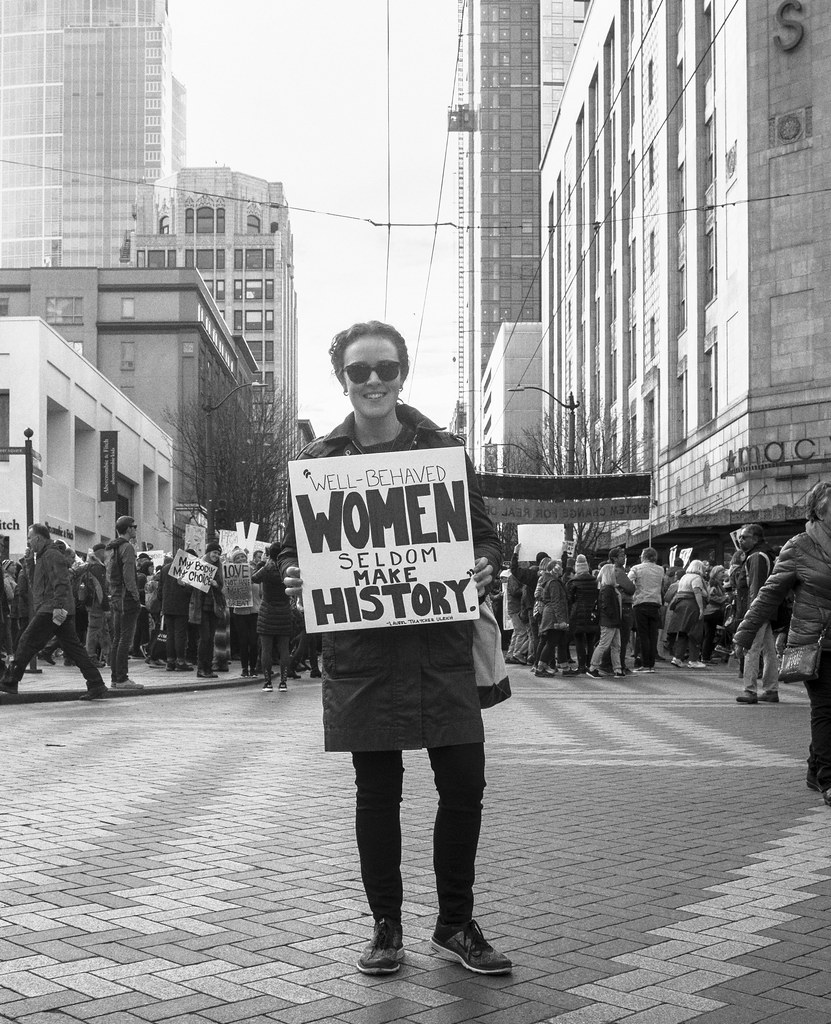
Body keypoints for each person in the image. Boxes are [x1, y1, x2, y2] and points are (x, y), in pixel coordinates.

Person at [278, 320, 511, 977]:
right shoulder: (320, 465)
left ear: (401, 374)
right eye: (359, 371)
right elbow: (290, 551)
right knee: (376, 792)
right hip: (363, 654)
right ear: (343, 380)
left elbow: (487, 537)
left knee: (464, 785)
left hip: (440, 648)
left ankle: (454, 924)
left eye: (385, 368)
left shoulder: (444, 451)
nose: (373, 380)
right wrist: (294, 571)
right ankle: (385, 927)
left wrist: (487, 562)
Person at [733, 482, 831, 800]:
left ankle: (816, 767)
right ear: (818, 509)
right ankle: (828, 778)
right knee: (826, 708)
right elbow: (769, 594)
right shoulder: (799, 546)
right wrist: (745, 634)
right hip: (815, 643)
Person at [0, 525, 108, 699]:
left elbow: (62, 581)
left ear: (38, 538)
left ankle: (10, 680)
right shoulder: (43, 556)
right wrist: (29, 562)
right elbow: (36, 582)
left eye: (29, 538)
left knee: (26, 640)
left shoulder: (51, 555)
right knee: (74, 648)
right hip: (54, 608)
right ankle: (96, 683)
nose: (28, 541)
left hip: (52, 608)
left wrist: (58, 606)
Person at [734, 523, 779, 704]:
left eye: (744, 537)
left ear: (755, 538)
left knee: (751, 648)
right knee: (769, 650)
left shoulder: (757, 556)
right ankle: (771, 689)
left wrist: (752, 613)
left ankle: (750, 690)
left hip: (759, 609)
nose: (741, 540)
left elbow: (756, 587)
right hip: (767, 608)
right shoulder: (763, 554)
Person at [107, 515, 144, 690]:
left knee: (117, 639)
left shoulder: (112, 548)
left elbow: (110, 576)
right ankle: (122, 678)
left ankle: (115, 677)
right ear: (128, 529)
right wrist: (136, 597)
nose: (135, 529)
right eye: (134, 526)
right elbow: (129, 576)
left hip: (116, 598)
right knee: (125, 639)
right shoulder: (127, 548)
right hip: (126, 598)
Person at [252, 542, 292, 691]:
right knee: (284, 650)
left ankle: (268, 682)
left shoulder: (267, 569)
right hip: (284, 611)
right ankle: (283, 682)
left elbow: (254, 578)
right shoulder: (286, 570)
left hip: (267, 611)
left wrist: (263, 563)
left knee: (266, 650)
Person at [510, 545, 549, 670]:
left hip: (532, 608)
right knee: (545, 637)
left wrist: (515, 554)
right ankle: (544, 661)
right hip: (547, 609)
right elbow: (562, 569)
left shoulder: (531, 575)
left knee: (535, 636)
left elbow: (514, 570)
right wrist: (564, 552)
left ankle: (536, 662)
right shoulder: (550, 575)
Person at [191, 541, 225, 679]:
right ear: (208, 552)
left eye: (218, 553)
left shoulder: (219, 567)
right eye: (214, 552)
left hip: (214, 608)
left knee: (210, 639)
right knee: (204, 638)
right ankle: (201, 668)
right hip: (202, 607)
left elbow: (221, 586)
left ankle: (208, 668)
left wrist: (216, 584)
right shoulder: (199, 565)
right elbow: (191, 587)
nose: (216, 556)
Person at [628, 548, 666, 673]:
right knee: (653, 634)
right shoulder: (660, 569)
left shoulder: (636, 568)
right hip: (655, 603)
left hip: (641, 602)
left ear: (643, 556)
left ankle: (644, 663)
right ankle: (651, 663)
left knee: (642, 634)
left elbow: (628, 581)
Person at [534, 560, 572, 677]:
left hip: (550, 615)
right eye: (560, 567)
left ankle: (565, 667)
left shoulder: (550, 581)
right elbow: (556, 602)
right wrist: (561, 620)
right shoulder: (554, 583)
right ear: (555, 569)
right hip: (554, 617)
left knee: (559, 641)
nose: (562, 569)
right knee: (551, 642)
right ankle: (540, 669)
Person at [587, 563, 624, 677]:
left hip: (610, 621)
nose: (617, 573)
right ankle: (593, 667)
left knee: (613, 645)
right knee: (607, 645)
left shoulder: (606, 588)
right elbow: (607, 606)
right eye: (615, 572)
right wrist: (614, 618)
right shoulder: (609, 589)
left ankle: (617, 669)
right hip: (611, 622)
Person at [670, 560, 707, 669]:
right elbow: (697, 592)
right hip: (692, 607)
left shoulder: (684, 577)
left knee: (682, 633)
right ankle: (693, 660)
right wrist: (701, 608)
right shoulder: (696, 578)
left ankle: (677, 658)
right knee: (695, 633)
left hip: (681, 606)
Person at [159, 553, 193, 671]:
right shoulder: (186, 568)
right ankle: (180, 661)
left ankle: (170, 661)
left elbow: (160, 590)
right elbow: (190, 589)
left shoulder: (165, 568)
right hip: (181, 606)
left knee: (170, 635)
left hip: (167, 606)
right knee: (180, 635)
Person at [229, 549, 260, 677]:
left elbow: (261, 591)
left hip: (254, 611)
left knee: (253, 641)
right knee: (243, 641)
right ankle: (244, 669)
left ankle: (253, 667)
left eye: (242, 557)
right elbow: (226, 592)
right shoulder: (230, 574)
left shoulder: (255, 572)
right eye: (237, 558)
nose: (241, 559)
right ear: (234, 561)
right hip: (240, 612)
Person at [566, 554, 597, 674]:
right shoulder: (595, 581)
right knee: (590, 640)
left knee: (579, 639)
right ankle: (590, 664)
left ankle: (581, 665)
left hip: (577, 613)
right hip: (592, 613)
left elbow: (569, 599)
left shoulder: (573, 582)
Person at [83, 543, 111, 668]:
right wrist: (106, 607)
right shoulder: (97, 568)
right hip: (96, 604)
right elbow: (100, 589)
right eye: (105, 552)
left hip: (92, 603)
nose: (106, 554)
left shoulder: (91, 566)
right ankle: (90, 656)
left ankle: (109, 656)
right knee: (94, 630)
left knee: (103, 630)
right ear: (100, 552)